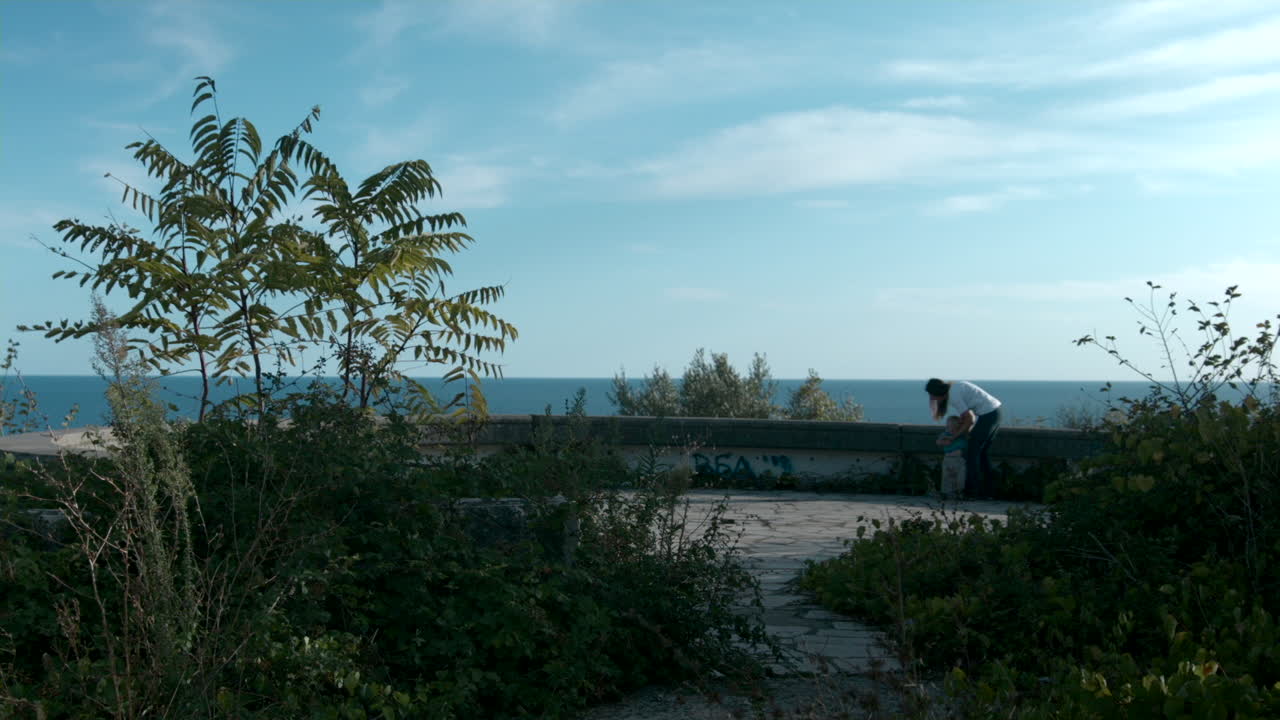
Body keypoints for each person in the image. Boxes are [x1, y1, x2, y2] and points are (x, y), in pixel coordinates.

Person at [925, 379, 1002, 499]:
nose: (932, 399)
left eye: (932, 396)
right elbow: (968, 417)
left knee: (971, 453)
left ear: (937, 394)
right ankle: (989, 492)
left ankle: (973, 492)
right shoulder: (955, 387)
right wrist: (965, 430)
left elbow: (970, 418)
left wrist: (954, 437)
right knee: (981, 454)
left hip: (988, 415)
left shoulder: (953, 396)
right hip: (994, 412)